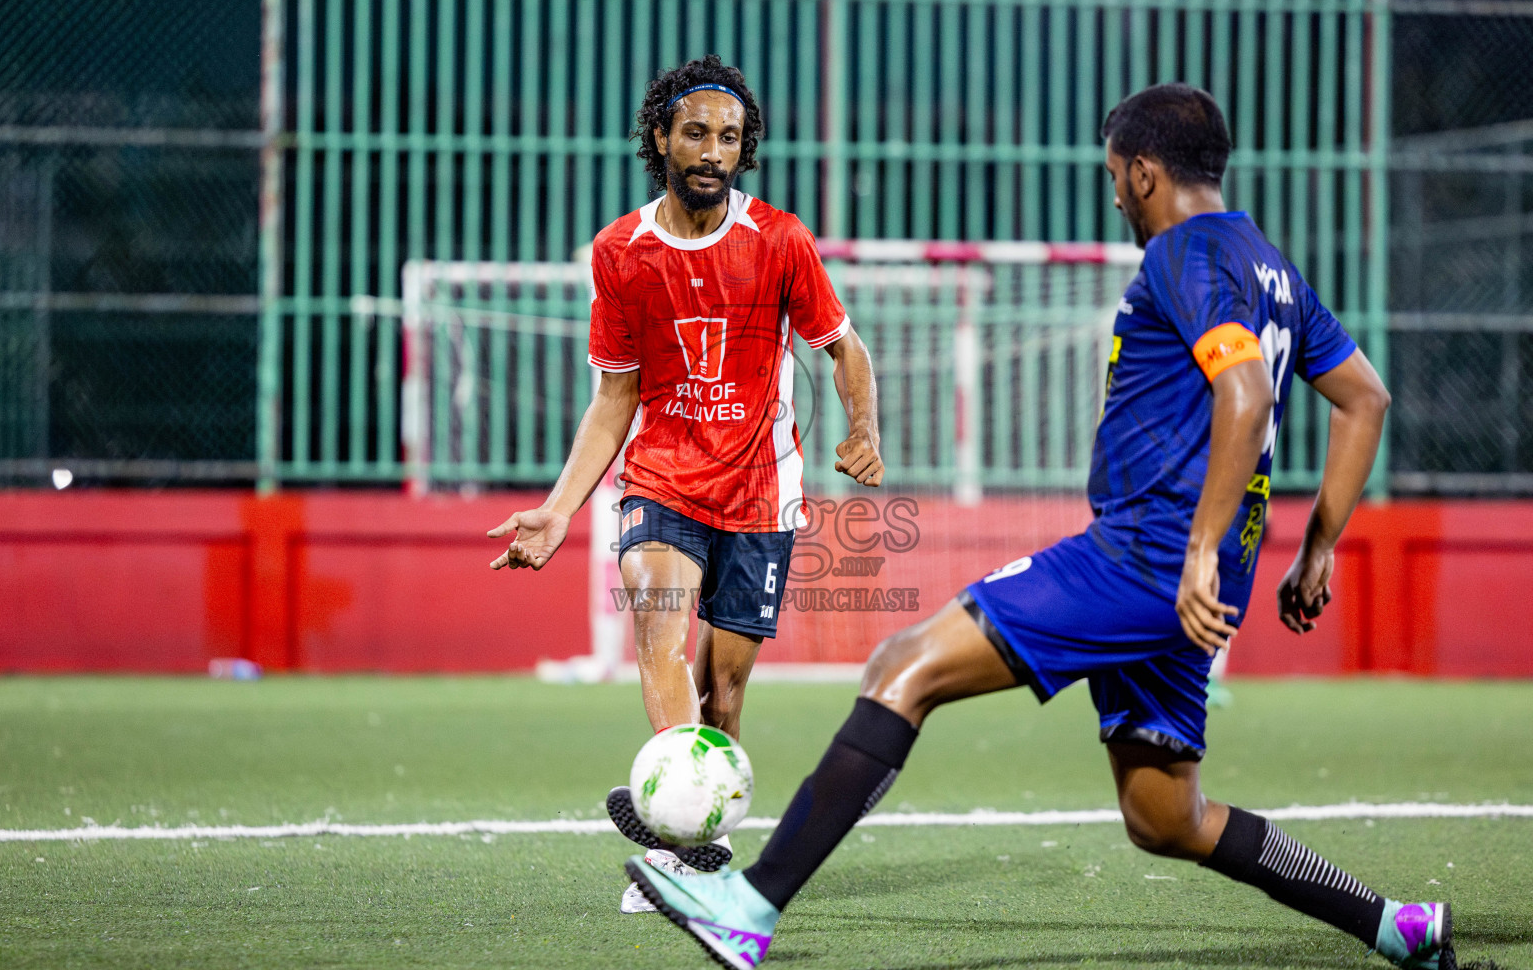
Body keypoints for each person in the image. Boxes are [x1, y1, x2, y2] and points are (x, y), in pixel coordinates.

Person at [625, 83, 1452, 970]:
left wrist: (1199, 552)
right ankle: (1393, 924)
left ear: (1142, 172)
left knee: (903, 667)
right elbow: (1363, 398)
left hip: (1147, 559)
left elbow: (1245, 395)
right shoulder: (1270, 266)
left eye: (1114, 177)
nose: (1113, 196)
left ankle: (746, 906)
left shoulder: (1185, 255)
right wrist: (1315, 550)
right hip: (1200, 575)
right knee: (1165, 816)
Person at [487, 55, 883, 914]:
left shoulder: (781, 240)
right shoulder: (620, 253)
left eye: (730, 138)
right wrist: (559, 511)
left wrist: (864, 429)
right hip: (662, 480)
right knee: (660, 638)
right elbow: (615, 395)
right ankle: (688, 845)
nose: (712, 150)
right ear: (660, 136)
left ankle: (699, 836)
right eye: (696, 132)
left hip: (759, 491)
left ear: (746, 152)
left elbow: (844, 350)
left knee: (725, 690)